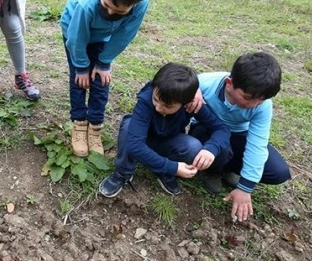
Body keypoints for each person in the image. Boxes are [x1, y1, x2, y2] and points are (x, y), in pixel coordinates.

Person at [60, 0, 150, 156]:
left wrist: (103, 62)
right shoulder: (87, 4)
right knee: (79, 80)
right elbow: (76, 40)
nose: (109, 12)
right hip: (74, 33)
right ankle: (79, 124)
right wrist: (82, 67)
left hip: (102, 37)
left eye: (118, 12)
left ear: (136, 3)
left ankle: (95, 128)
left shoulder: (141, 5)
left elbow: (124, 34)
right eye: (107, 4)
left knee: (101, 81)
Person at [98, 63, 230, 197]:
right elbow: (134, 145)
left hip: (167, 140)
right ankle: (123, 172)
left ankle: (162, 169)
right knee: (128, 126)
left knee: (194, 146)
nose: (159, 108)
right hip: (140, 137)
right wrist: (173, 167)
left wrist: (211, 149)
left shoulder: (192, 104)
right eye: (156, 99)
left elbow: (221, 129)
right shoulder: (146, 100)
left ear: (185, 103)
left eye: (168, 106)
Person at [188, 52, 290, 222]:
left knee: (278, 172)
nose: (253, 105)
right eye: (248, 98)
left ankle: (229, 169)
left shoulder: (262, 106)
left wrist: (246, 187)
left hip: (238, 135)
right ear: (229, 84)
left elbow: (257, 144)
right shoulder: (205, 83)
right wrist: (192, 90)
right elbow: (174, 83)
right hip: (206, 132)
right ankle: (211, 171)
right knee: (219, 150)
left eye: (260, 100)